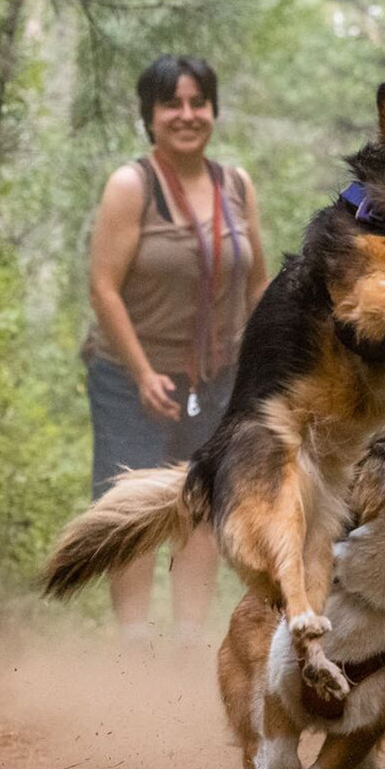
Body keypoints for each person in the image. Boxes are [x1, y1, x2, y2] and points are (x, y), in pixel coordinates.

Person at [81, 55, 267, 648]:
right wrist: (142, 374)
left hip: (217, 377)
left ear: (212, 110)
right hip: (128, 377)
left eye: (198, 103)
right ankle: (134, 642)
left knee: (203, 503)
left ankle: (188, 641)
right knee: (133, 504)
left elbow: (258, 284)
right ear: (150, 115)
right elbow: (103, 288)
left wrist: (263, 366)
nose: (187, 115)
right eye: (172, 104)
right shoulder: (131, 186)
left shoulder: (236, 185)